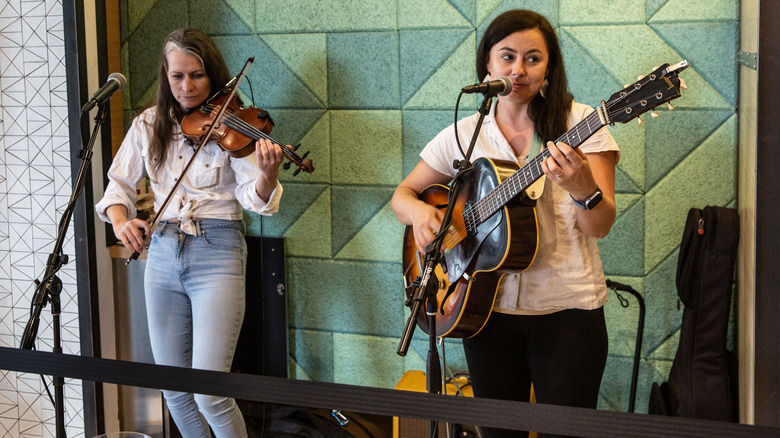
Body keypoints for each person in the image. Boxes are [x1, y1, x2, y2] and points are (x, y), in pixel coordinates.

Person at [391, 10, 619, 438]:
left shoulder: (580, 124)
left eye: (533, 59)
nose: (518, 70)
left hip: (567, 311)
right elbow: (402, 195)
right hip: (484, 311)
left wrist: (582, 187)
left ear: (549, 68)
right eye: (507, 56)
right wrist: (422, 213)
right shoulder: (464, 133)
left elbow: (599, 225)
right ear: (487, 65)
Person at [96, 28, 285, 438]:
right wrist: (120, 221)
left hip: (217, 249)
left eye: (196, 76)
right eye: (177, 76)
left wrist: (268, 176)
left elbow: (255, 199)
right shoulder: (148, 123)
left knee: (211, 393)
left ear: (213, 75)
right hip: (162, 251)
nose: (186, 87)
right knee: (174, 390)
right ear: (165, 75)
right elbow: (118, 189)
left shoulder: (233, 123)